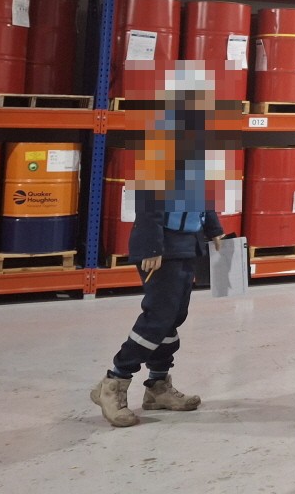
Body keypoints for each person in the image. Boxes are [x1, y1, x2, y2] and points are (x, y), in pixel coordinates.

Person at [91, 63, 230, 428]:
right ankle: (114, 381)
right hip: (161, 247)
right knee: (158, 317)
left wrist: (214, 229)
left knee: (173, 317)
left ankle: (157, 386)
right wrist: (152, 246)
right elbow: (149, 200)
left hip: (187, 245)